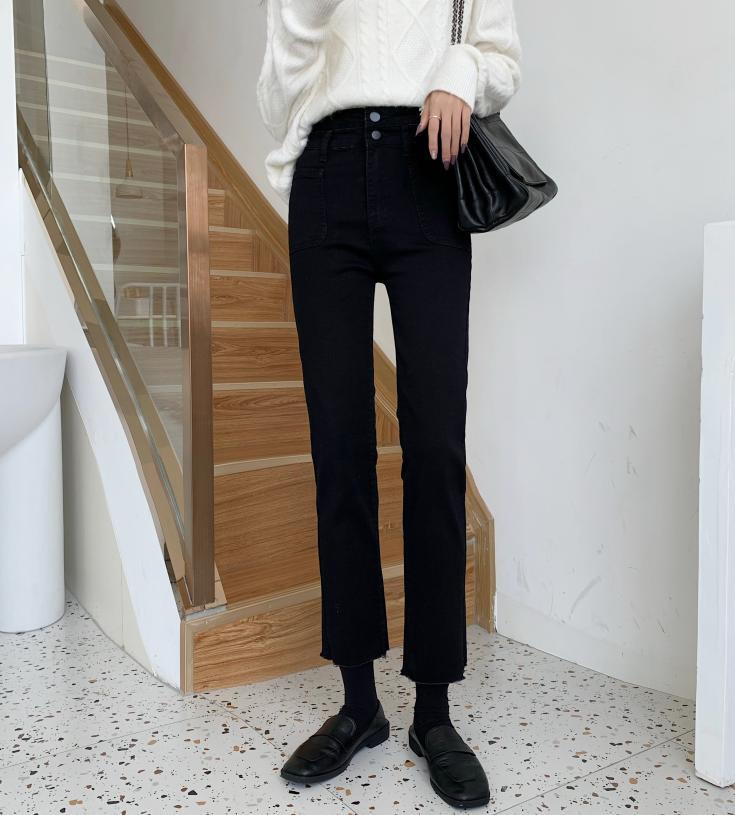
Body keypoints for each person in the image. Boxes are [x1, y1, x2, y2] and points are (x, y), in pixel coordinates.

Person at [257, 0, 521, 807]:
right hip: (326, 178)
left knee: (436, 447)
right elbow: (277, 98)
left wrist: (459, 70)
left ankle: (433, 713)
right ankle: (359, 704)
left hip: (427, 167)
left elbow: (501, 58)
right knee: (339, 448)